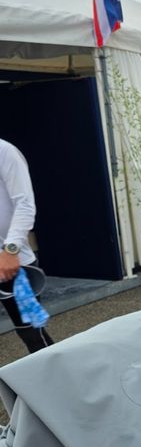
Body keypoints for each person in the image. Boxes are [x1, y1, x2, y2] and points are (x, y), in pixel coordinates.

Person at [0, 137, 53, 354]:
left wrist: (10, 250)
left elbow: (25, 204)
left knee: (32, 334)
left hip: (11, 262)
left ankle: (59, 375)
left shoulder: (5, 152)